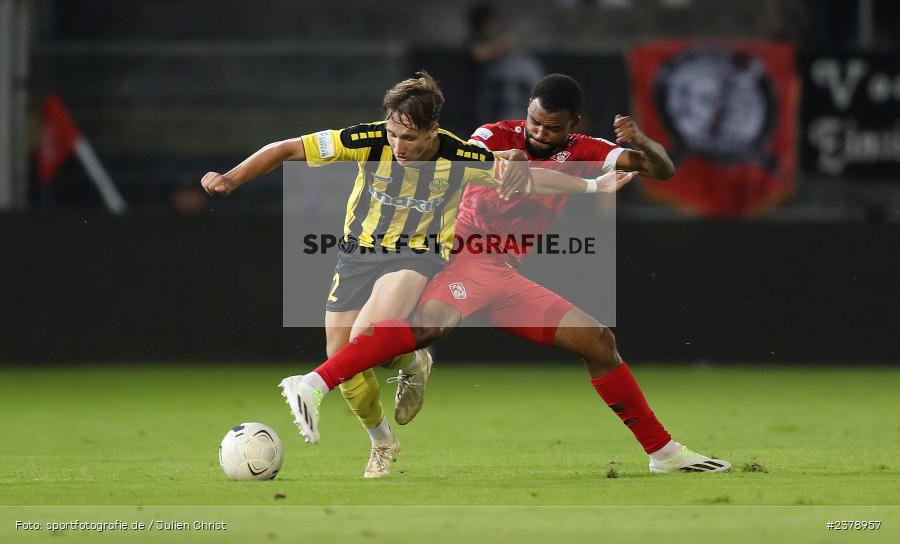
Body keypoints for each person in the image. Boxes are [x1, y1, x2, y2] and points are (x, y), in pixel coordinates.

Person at [282, 74, 732, 474]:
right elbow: (479, 158)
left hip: (503, 273)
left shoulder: (586, 150)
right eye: (534, 121)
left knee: (598, 342)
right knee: (424, 328)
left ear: (572, 124)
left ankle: (663, 453)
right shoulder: (495, 134)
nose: (539, 132)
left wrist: (643, 142)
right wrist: (547, 170)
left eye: (552, 127)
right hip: (464, 254)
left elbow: (661, 169)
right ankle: (320, 381)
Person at [202, 71, 609, 478]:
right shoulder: (364, 140)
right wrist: (231, 178)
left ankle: (374, 372)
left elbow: (531, 179)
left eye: (410, 138)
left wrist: (595, 187)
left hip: (416, 255)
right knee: (342, 357)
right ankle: (385, 434)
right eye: (393, 134)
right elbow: (286, 149)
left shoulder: (459, 155)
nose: (398, 146)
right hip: (358, 255)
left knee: (363, 339)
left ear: (433, 130)